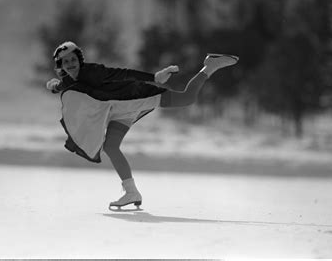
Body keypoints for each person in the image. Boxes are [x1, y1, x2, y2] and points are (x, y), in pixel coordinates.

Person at [46, 41, 238, 209]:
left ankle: (209, 66)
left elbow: (122, 73)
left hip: (135, 98)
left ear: (79, 59)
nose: (71, 64)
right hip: (120, 111)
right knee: (111, 147)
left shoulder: (93, 71)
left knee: (186, 98)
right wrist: (54, 86)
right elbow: (64, 86)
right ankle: (131, 192)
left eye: (73, 59)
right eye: (66, 61)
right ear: (61, 65)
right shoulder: (69, 80)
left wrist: (153, 78)